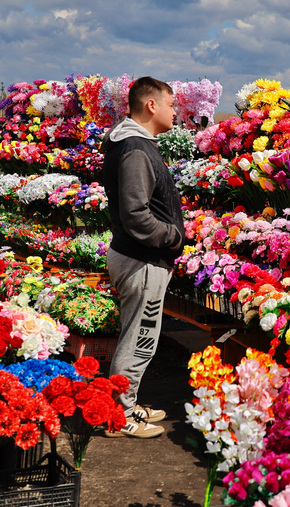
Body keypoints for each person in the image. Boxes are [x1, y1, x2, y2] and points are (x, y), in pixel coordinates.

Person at [101, 76, 185, 438]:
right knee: (140, 338)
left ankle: (127, 401)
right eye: (171, 104)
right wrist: (172, 236)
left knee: (136, 335)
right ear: (151, 105)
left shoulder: (134, 142)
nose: (174, 111)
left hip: (138, 257)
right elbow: (135, 214)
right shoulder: (135, 148)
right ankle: (118, 416)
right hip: (143, 260)